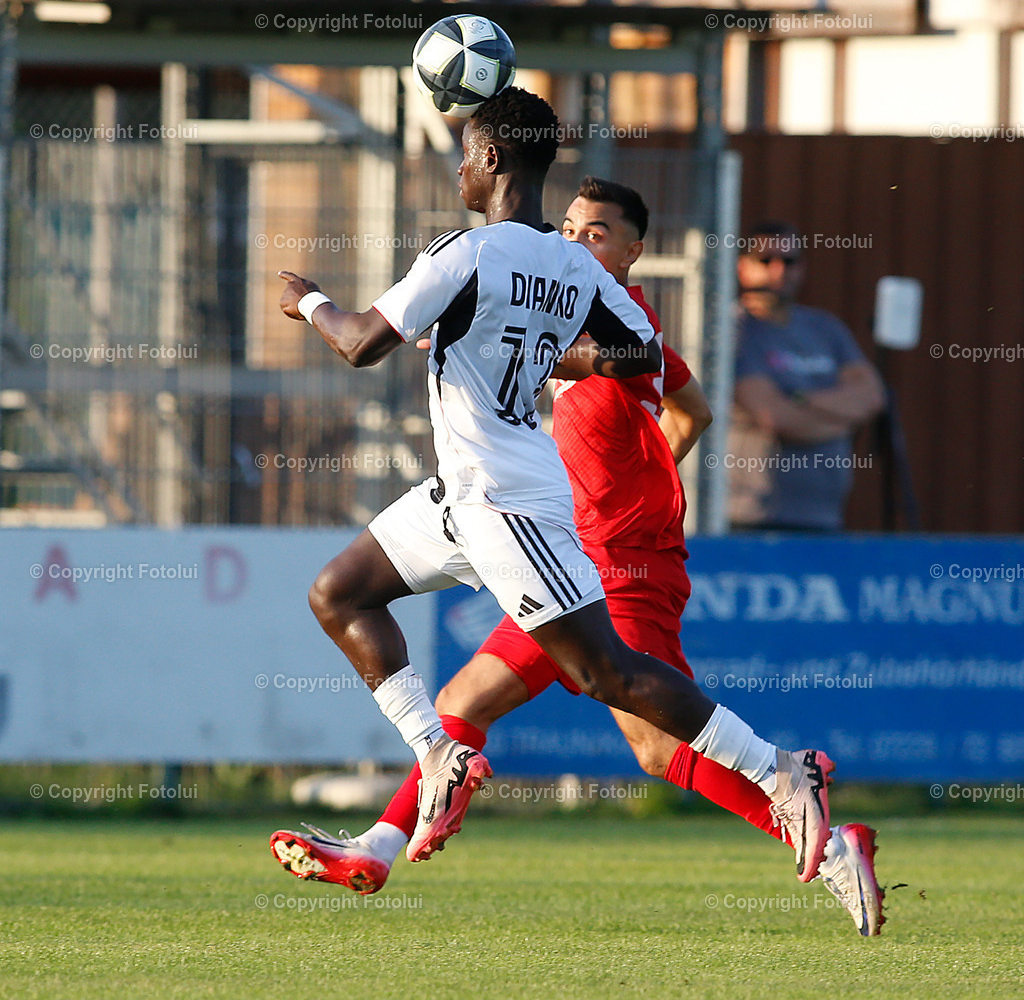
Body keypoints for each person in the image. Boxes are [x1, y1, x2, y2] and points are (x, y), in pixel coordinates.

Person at [271, 178, 884, 936]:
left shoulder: (627, 324)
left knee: (655, 745)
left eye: (595, 233)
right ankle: (378, 847)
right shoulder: (566, 311)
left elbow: (625, 366)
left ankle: (824, 833)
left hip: (623, 559)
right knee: (464, 703)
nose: (574, 241)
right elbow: (694, 410)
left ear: (633, 251)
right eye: (567, 228)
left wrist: (506, 342)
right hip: (559, 551)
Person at [729, 221, 886, 531]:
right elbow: (775, 416)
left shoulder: (825, 328)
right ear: (743, 268)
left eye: (789, 261)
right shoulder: (734, 330)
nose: (779, 270)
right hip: (753, 516)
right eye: (766, 260)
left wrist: (800, 399)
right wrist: (843, 419)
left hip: (823, 516)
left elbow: (872, 395)